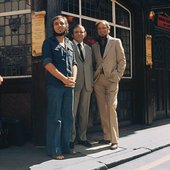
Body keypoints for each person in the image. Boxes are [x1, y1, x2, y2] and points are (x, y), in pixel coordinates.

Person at [42, 15, 77, 160]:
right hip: (55, 86)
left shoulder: (69, 43)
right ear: (53, 27)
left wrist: (73, 79)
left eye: (62, 23)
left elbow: (75, 63)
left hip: (69, 86)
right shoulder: (48, 43)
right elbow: (47, 64)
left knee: (68, 117)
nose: (59, 25)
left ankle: (65, 146)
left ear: (66, 26)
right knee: (55, 118)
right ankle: (54, 149)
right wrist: (63, 79)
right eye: (56, 23)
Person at [92, 20, 126, 150]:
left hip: (112, 80)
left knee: (111, 108)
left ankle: (114, 140)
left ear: (108, 29)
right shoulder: (94, 46)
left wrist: (117, 75)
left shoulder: (116, 42)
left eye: (104, 28)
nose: (101, 30)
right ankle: (106, 136)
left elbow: (122, 61)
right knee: (102, 109)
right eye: (99, 28)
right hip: (99, 81)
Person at [70, 25, 93, 149]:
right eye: (76, 32)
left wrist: (91, 83)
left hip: (87, 84)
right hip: (74, 83)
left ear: (85, 34)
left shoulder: (89, 48)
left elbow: (90, 66)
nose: (79, 34)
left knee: (84, 113)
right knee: (72, 113)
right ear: (72, 34)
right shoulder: (68, 45)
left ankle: (83, 137)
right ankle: (71, 138)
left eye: (81, 32)